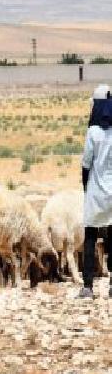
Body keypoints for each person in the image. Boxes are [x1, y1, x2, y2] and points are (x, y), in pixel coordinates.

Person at [79, 84, 112, 297]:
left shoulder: (93, 132)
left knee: (90, 237)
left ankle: (88, 286)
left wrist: (86, 186)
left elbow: (86, 163)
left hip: (95, 191)